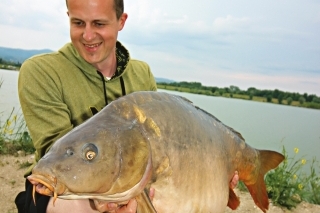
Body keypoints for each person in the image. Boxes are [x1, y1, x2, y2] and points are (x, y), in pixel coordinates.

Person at [15, 0, 238, 212]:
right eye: (78, 23)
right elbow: (58, 154)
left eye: (99, 23)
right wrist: (100, 203)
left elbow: (162, 145)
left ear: (121, 21)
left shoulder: (142, 74)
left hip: (132, 181)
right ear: (68, 18)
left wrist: (211, 172)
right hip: (64, 193)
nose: (88, 35)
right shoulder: (40, 71)